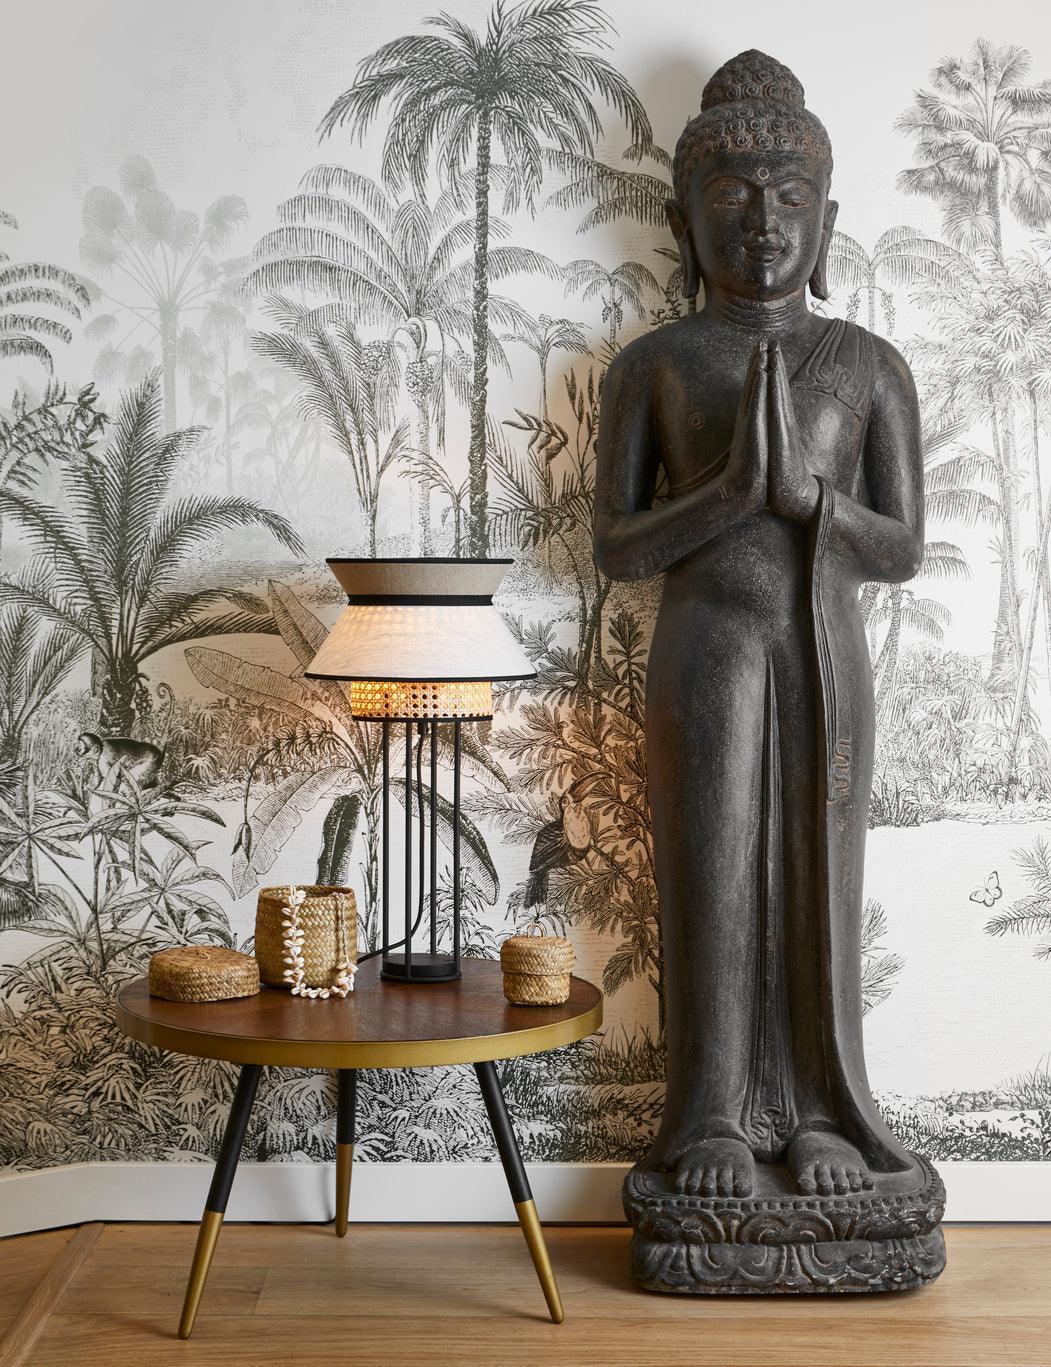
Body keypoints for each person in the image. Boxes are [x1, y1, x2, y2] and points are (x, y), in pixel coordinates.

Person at [594, 50, 924, 1203]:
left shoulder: (868, 365)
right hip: (705, 649)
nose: (762, 222)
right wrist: (727, 497)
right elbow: (616, 547)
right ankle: (710, 1117)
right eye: (731, 197)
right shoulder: (654, 367)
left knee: (815, 879)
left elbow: (901, 547)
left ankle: (824, 1110)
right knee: (710, 872)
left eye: (789, 197)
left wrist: (807, 503)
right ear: (683, 225)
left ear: (825, 222)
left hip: (822, 650)